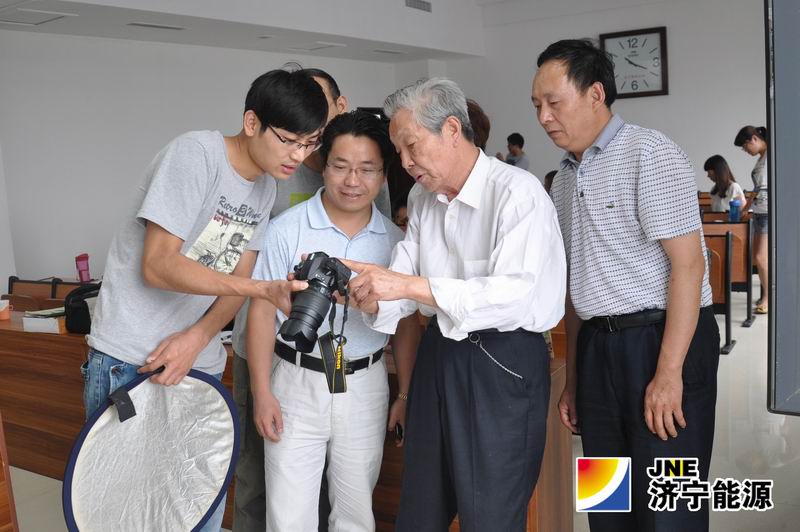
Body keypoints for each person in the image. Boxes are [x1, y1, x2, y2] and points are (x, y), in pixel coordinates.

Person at [83, 67, 327, 532]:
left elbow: (236, 278)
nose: (299, 155)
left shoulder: (265, 187)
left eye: (309, 143)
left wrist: (196, 339)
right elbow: (158, 265)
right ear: (252, 122)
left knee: (198, 510)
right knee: (124, 516)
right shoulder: (195, 155)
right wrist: (262, 290)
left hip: (198, 364)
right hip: (130, 358)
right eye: (289, 140)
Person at [341, 78, 566, 531]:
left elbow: (512, 295)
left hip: (502, 359)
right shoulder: (422, 198)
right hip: (439, 353)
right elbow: (403, 278)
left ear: (450, 129)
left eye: (411, 147)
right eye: (398, 152)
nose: (405, 163)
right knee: (420, 507)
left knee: (490, 514)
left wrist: (407, 286)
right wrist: (370, 295)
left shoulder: (517, 193)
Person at [532, 39, 720, 532]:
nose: (544, 117)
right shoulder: (563, 179)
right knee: (607, 499)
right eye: (537, 105)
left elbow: (689, 267)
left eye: (554, 102)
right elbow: (576, 286)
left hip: (662, 340)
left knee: (669, 506)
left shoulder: (649, 153)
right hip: (598, 346)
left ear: (595, 94)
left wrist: (669, 374)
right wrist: (575, 378)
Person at [230, 68, 394, 532]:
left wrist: (403, 393)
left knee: (355, 513)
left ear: (383, 175)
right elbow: (261, 311)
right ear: (323, 163)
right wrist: (262, 392)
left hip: (365, 383)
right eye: (340, 166)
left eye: (367, 169)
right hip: (295, 379)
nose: (352, 180)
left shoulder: (396, 241)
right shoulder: (286, 229)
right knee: (288, 514)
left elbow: (405, 327)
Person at [734, 125, 769, 314]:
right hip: (759, 212)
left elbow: (763, 188)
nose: (745, 150)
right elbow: (757, 188)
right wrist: (747, 208)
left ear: (754, 139)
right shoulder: (762, 158)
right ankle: (767, 294)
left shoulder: (771, 156)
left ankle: (768, 297)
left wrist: (747, 207)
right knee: (758, 258)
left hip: (768, 212)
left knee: (761, 258)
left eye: (744, 146)